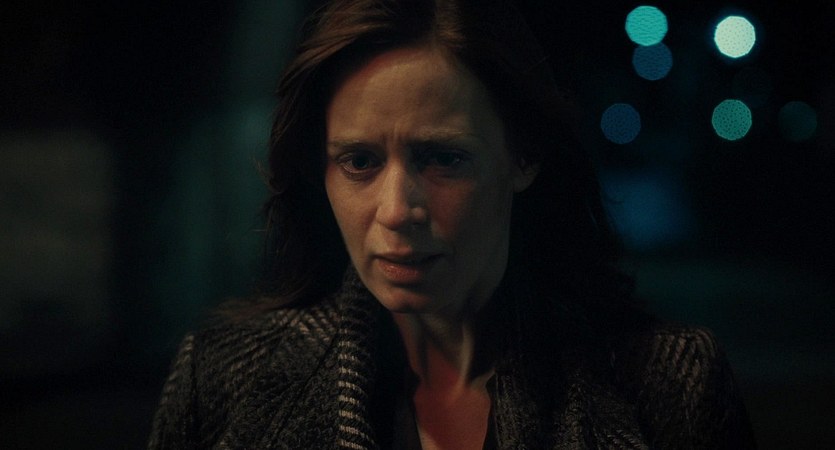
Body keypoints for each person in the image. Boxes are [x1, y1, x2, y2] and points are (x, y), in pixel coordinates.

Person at [148, 0, 756, 448]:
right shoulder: (223, 377)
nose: (396, 211)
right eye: (359, 162)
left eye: (442, 159)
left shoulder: (669, 384)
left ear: (523, 156)